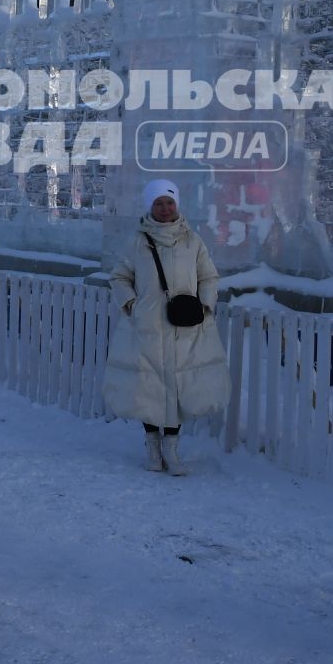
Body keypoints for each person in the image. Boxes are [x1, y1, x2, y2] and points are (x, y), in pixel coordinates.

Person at [104, 179, 228, 475]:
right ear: (150, 206)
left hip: (184, 326)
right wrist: (132, 305)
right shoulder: (137, 241)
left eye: (169, 202)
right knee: (148, 385)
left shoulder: (192, 241)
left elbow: (209, 277)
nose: (164, 208)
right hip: (147, 326)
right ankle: (152, 446)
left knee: (176, 387)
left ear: (177, 204)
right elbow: (119, 277)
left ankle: (171, 449)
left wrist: (205, 306)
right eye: (158, 203)